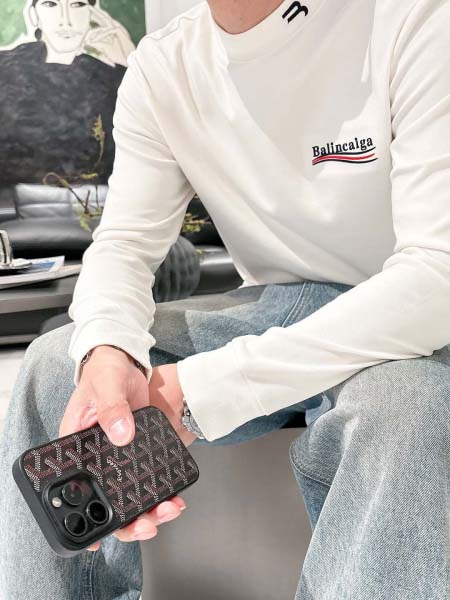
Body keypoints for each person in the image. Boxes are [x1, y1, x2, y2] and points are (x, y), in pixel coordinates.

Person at [1, 0, 449, 598]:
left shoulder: (413, 19)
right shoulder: (166, 65)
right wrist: (108, 350)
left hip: (411, 322)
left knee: (405, 406)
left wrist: (195, 394)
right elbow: (125, 244)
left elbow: (436, 276)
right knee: (59, 365)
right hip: (276, 301)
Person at [0, 0, 135, 183]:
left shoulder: (111, 78)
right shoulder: (6, 68)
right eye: (50, 4)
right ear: (33, 16)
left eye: (77, 5)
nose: (66, 21)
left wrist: (128, 63)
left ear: (91, 14)